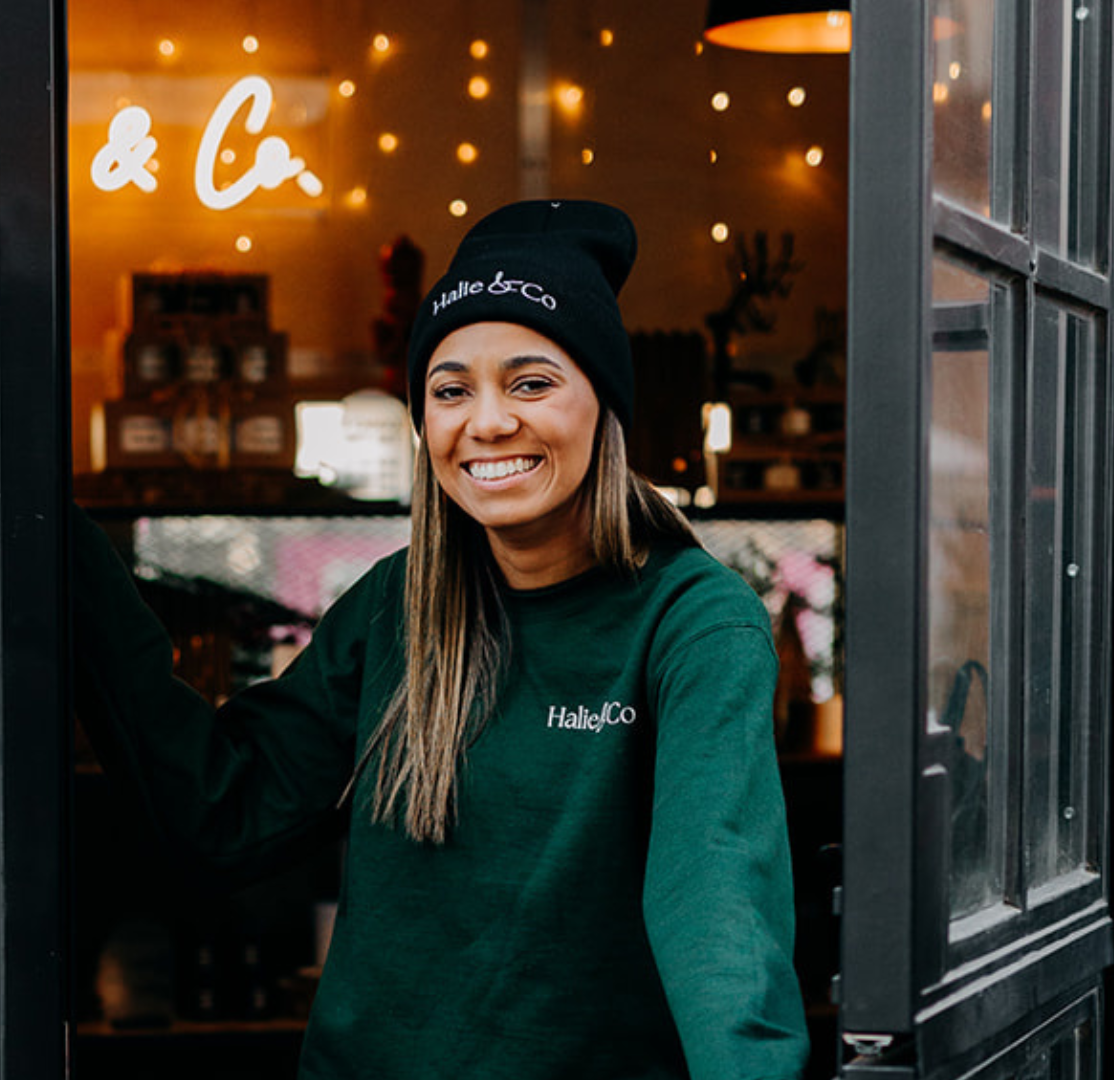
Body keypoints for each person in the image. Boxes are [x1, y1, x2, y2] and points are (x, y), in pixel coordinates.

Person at [71, 199, 809, 1080]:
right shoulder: (398, 605)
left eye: (531, 383)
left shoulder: (692, 622)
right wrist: (58, 541)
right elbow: (225, 811)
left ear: (602, 405)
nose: (488, 422)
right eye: (451, 390)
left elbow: (715, 894)